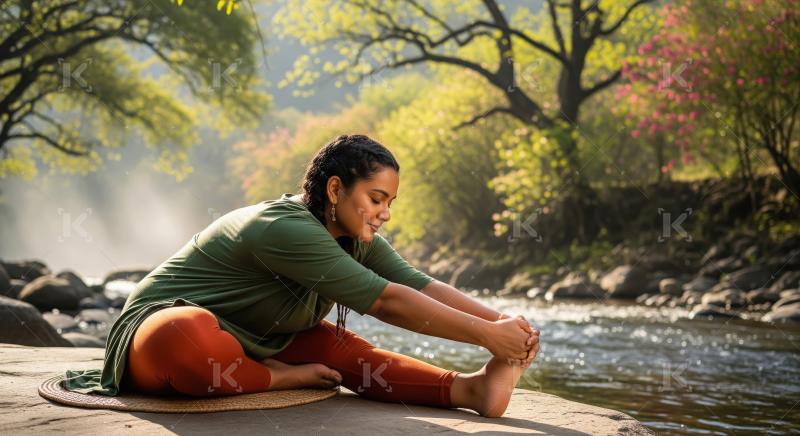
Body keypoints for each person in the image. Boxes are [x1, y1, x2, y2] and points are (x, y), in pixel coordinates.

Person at [64, 134, 540, 418]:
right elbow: (387, 301)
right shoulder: (283, 227)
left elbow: (416, 284)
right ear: (335, 188)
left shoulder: (354, 233)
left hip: (255, 337)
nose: (384, 214)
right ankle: (273, 378)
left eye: (390, 203)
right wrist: (487, 334)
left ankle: (472, 389)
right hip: (158, 330)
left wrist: (504, 326)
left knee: (341, 349)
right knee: (188, 336)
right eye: (376, 199)